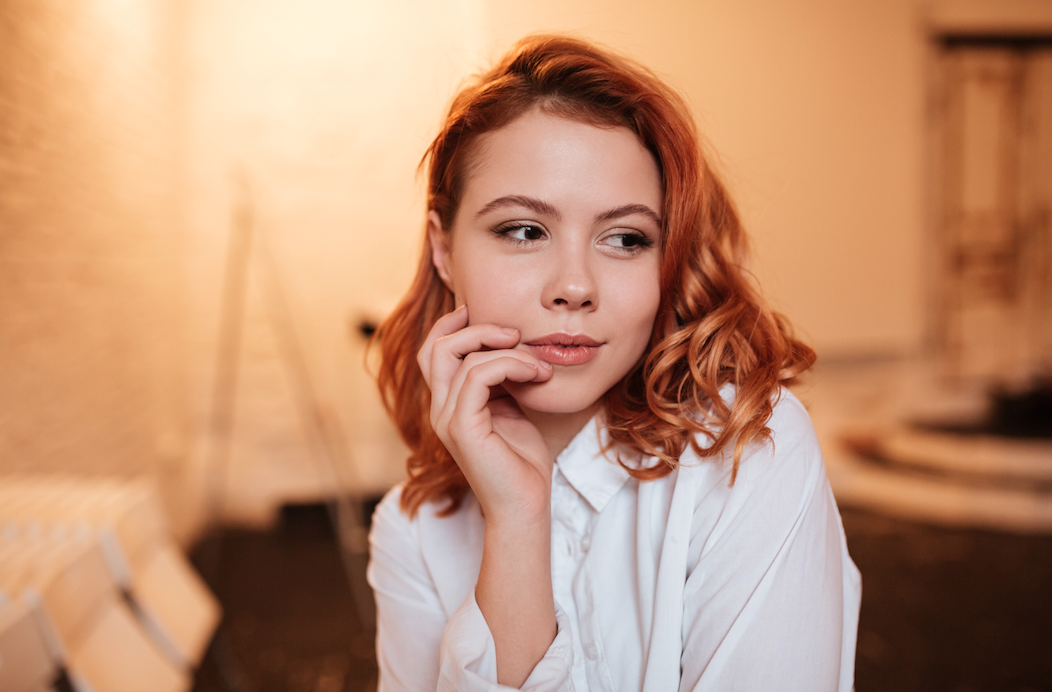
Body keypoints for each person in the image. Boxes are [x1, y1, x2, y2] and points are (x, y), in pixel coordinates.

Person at [367, 34, 860, 692]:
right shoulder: (411, 531)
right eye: (524, 230)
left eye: (625, 238)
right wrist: (517, 522)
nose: (575, 286)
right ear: (444, 250)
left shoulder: (750, 450)